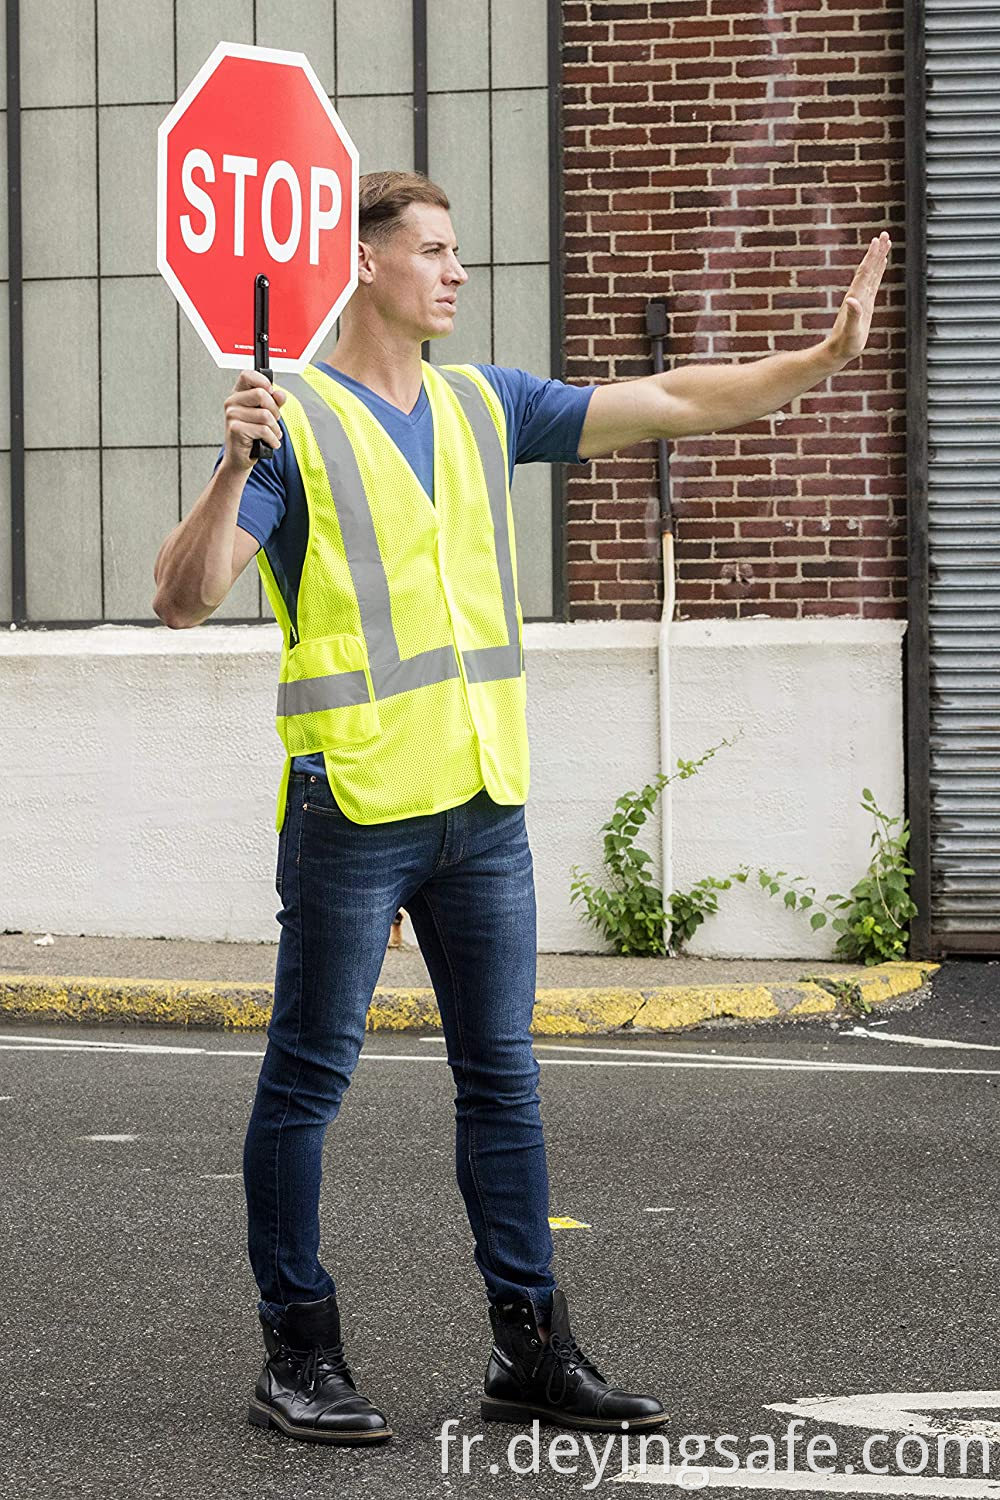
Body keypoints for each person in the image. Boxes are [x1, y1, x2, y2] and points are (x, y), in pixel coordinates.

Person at [151, 171, 891, 1448]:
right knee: (308, 1082)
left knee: (503, 1080)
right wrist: (231, 469)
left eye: (457, 251)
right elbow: (183, 594)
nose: (455, 271)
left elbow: (667, 401)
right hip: (356, 805)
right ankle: (298, 1352)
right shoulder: (297, 426)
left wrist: (817, 358)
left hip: (481, 803)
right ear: (364, 264)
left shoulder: (484, 403)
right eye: (432, 251)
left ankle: (530, 1349)